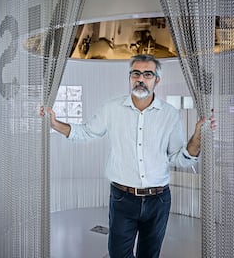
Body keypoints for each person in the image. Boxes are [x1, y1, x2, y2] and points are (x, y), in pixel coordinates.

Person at [40, 54, 216, 258]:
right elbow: (86, 132)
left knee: (149, 255)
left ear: (157, 80)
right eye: (136, 73)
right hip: (122, 198)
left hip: (158, 200)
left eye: (148, 74)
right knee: (118, 254)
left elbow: (179, 158)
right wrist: (55, 124)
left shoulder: (169, 114)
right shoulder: (112, 108)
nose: (141, 79)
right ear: (130, 77)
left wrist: (197, 136)